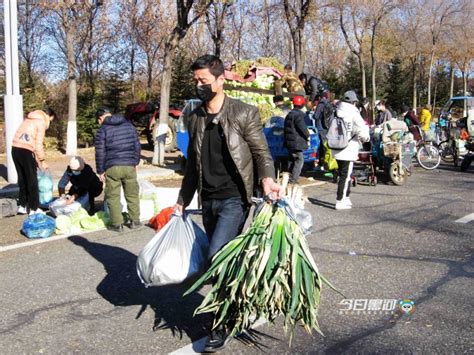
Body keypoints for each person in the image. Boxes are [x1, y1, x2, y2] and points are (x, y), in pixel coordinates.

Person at [174, 54, 281, 352]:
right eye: (196, 81)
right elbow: (192, 163)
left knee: (217, 256)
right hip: (207, 199)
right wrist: (183, 200)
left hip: (235, 198)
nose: (199, 86)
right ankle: (239, 299)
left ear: (221, 80)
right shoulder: (194, 116)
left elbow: (261, 153)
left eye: (204, 81)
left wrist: (267, 179)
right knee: (224, 260)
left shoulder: (243, 113)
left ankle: (220, 325)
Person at [94, 107, 141, 232]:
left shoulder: (102, 129)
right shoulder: (128, 125)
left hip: (112, 166)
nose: (99, 123)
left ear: (101, 118)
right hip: (129, 165)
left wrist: (100, 170)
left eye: (98, 120)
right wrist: (135, 161)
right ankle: (135, 221)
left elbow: (100, 152)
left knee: (113, 196)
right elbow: (137, 145)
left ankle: (117, 224)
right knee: (132, 194)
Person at [12, 108, 56, 215]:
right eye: (51, 120)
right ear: (49, 116)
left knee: (22, 178)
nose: (50, 123)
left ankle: (22, 205)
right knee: (32, 180)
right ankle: (34, 208)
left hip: (15, 149)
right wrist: (42, 160)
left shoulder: (29, 118)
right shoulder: (41, 122)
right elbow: (38, 144)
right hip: (26, 151)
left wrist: (36, 160)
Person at [331, 90, 370, 210]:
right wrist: (366, 138)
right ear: (354, 102)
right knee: (345, 175)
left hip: (337, 146)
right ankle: (340, 200)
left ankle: (346, 197)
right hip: (348, 148)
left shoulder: (337, 111)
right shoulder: (353, 113)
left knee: (345, 173)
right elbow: (362, 130)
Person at [284, 96, 310, 184]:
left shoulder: (289, 114)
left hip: (289, 141)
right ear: (302, 104)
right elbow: (302, 128)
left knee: (291, 160)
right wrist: (308, 135)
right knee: (299, 160)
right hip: (296, 142)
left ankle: (287, 177)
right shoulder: (299, 115)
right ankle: (293, 180)